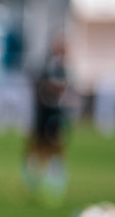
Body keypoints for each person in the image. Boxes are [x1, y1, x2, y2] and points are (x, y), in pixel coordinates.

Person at [24, 34, 78, 204]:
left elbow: (59, 87)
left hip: (54, 112)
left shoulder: (60, 67)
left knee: (54, 148)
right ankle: (34, 182)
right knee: (37, 147)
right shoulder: (51, 65)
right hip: (44, 112)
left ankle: (54, 185)